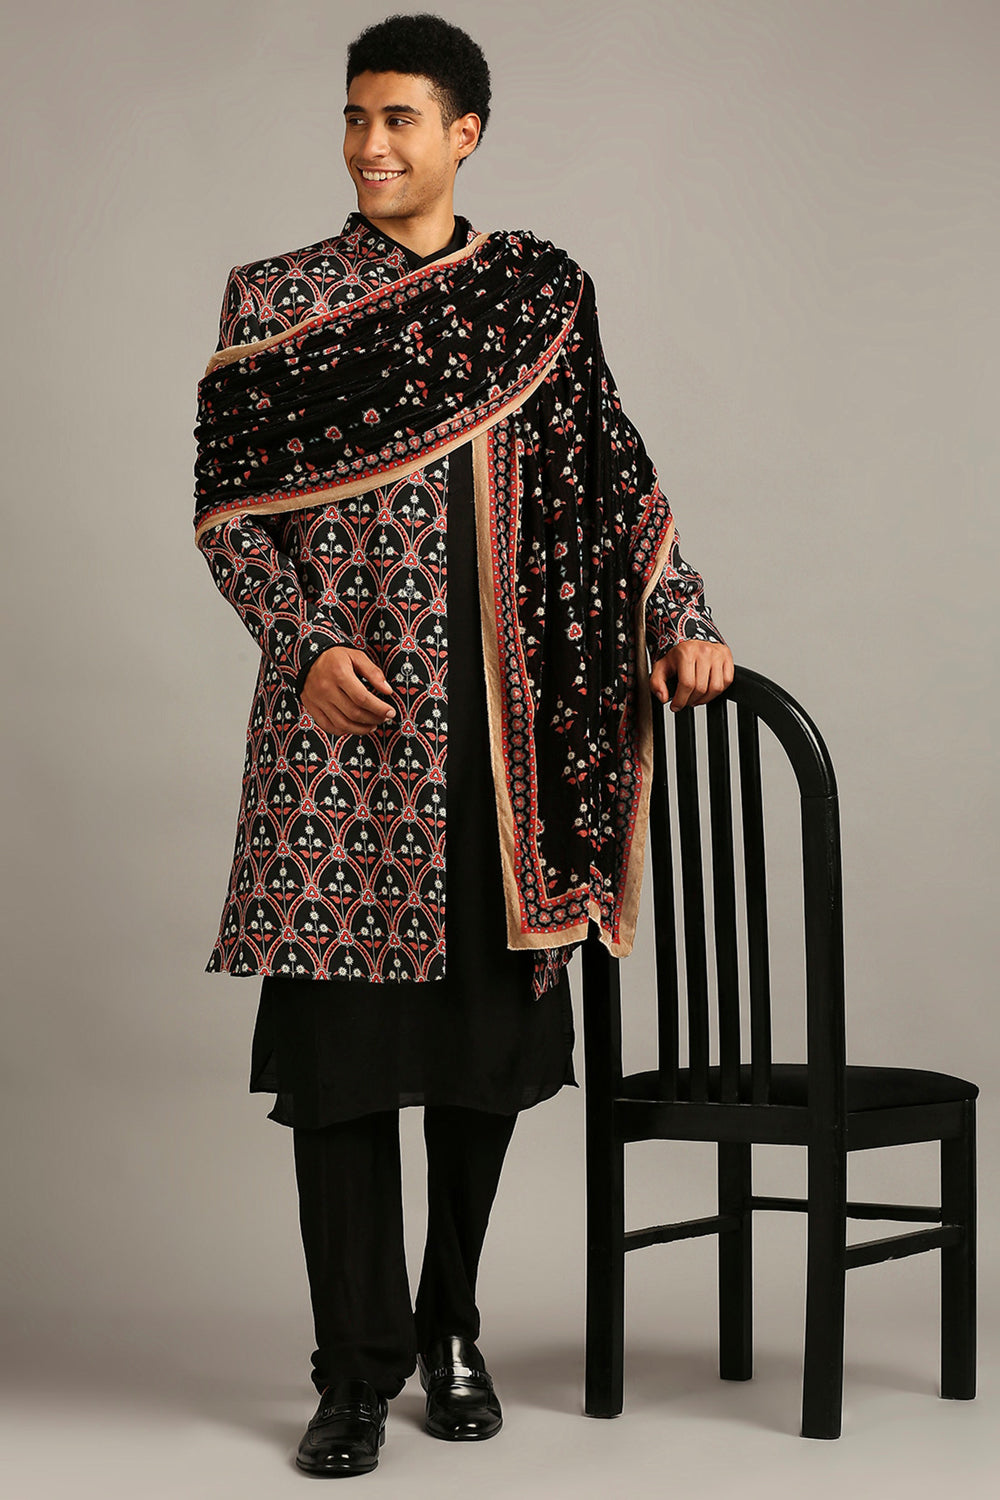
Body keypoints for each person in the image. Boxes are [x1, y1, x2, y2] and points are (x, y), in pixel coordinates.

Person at [193, 11, 734, 1479]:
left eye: (401, 118)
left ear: (465, 133)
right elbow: (229, 513)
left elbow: (615, 478)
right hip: (344, 751)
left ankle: (449, 1325)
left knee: (479, 1062)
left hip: (505, 752)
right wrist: (303, 649)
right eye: (354, 116)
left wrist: (680, 616)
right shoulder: (279, 298)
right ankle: (352, 1372)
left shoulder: (537, 295)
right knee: (342, 1074)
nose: (371, 144)